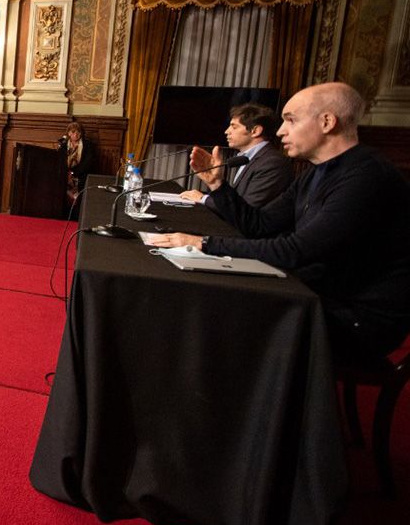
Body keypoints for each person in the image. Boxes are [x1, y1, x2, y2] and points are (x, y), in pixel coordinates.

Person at [151, 83, 410, 362]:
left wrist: (203, 243)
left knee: (220, 317)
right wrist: (217, 185)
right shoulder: (314, 174)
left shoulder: (366, 177)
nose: (279, 131)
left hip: (356, 319)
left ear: (326, 122)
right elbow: (259, 225)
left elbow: (297, 251)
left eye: (290, 120)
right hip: (317, 295)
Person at [179, 102, 293, 210]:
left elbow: (248, 208)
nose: (226, 131)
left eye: (234, 127)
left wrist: (203, 199)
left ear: (255, 131)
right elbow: (236, 201)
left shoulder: (273, 163)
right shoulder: (248, 157)